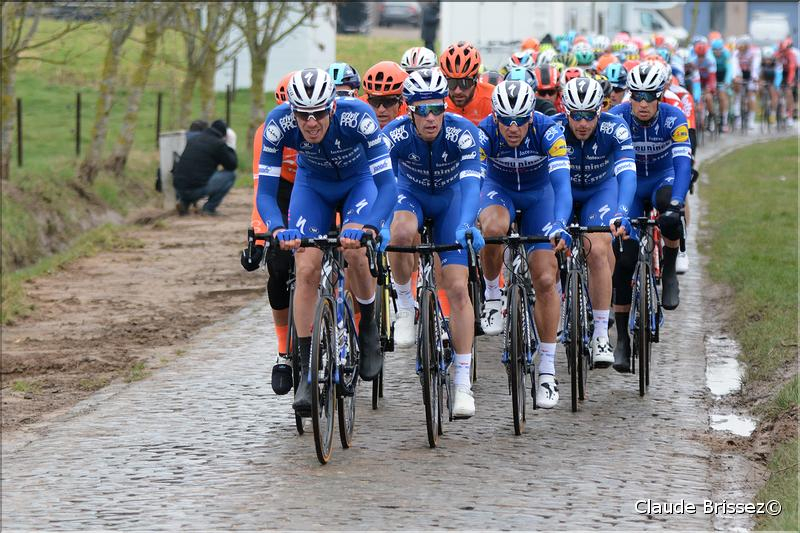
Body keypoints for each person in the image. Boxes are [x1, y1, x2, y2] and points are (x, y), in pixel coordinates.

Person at [256, 68, 398, 414]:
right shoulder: (279, 124)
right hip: (313, 186)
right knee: (305, 266)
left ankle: (367, 325)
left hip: (358, 182)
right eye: (303, 115)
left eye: (318, 113)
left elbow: (388, 187)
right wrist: (276, 228)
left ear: (331, 108)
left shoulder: (358, 117)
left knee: (356, 253)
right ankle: (305, 370)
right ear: (292, 112)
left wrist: (371, 227)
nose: (311, 123)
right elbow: (265, 193)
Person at [382, 68, 484, 419]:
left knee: (457, 289)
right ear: (408, 111)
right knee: (400, 232)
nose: (431, 118)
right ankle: (406, 305)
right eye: (422, 110)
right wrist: (379, 224)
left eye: (437, 109)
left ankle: (462, 384)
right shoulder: (392, 135)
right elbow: (380, 185)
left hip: (451, 201)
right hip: (410, 196)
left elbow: (472, 184)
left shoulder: (463, 132)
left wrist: (468, 223)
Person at [477, 80, 572, 408]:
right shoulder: (484, 131)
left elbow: (561, 183)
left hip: (539, 197)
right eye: (505, 120)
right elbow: (472, 178)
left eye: (520, 120)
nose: (512, 127)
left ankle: (547, 367)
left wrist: (560, 223)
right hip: (498, 190)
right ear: (496, 116)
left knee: (546, 278)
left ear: (532, 117)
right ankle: (491, 293)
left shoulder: (549, 130)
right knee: (493, 227)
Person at [609, 62, 692, 372]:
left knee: (670, 213)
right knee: (624, 258)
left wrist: (675, 203)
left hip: (662, 178)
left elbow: (683, 164)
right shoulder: (617, 117)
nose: (642, 104)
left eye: (649, 97)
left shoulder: (674, 118)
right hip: (629, 184)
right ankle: (621, 339)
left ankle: (668, 271)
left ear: (660, 96)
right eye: (637, 96)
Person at [553, 77, 637, 368]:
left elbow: (627, 172)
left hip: (600, 191)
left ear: (599, 112)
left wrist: (622, 211)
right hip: (560, 190)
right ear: (566, 112)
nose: (583, 123)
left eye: (589, 115)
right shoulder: (553, 129)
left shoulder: (616, 128)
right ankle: (558, 303)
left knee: (599, 249)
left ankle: (601, 333)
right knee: (545, 248)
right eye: (576, 115)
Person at [240, 71, 298, 395]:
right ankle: (284, 353)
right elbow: (262, 188)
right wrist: (258, 235)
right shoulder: (268, 133)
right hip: (281, 190)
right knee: (277, 267)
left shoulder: (321, 129)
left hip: (316, 187)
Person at [172, 119, 237, 216]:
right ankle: (209, 208)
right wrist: (230, 146)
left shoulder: (194, 139)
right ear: (223, 134)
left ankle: (184, 203)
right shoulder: (218, 144)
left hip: (178, 188)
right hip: (195, 189)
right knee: (230, 175)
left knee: (195, 176)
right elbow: (232, 165)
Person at [439, 41, 494, 124]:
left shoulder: (493, 99)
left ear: (477, 78)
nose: (458, 91)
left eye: (464, 83)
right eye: (451, 83)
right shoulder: (438, 101)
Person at [361, 61, 408, 128]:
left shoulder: (413, 115)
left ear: (402, 100)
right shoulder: (358, 108)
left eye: (388, 102)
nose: (381, 109)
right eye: (374, 101)